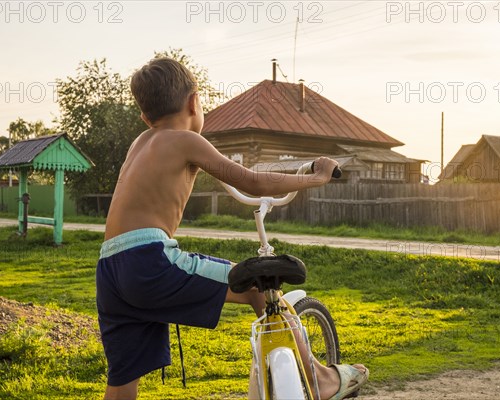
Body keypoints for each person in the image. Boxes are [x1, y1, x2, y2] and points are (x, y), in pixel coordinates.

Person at [96, 57, 369, 400]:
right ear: (194, 101)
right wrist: (316, 177)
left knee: (123, 382)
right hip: (148, 260)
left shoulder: (140, 143)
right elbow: (251, 181)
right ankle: (319, 378)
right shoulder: (184, 141)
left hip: (109, 268)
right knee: (257, 287)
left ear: (144, 116)